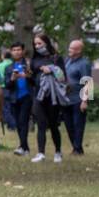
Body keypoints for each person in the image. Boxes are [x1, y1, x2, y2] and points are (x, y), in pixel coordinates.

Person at [29, 33, 67, 163]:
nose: (37, 46)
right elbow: (33, 80)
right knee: (40, 124)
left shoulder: (56, 58)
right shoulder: (34, 60)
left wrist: (51, 70)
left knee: (53, 125)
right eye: (35, 44)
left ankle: (58, 151)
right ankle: (41, 153)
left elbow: (63, 77)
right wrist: (26, 76)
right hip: (38, 96)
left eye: (40, 43)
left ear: (46, 43)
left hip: (52, 97)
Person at [62, 39, 92, 155]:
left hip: (78, 100)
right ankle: (76, 147)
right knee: (69, 126)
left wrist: (85, 101)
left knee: (78, 125)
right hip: (66, 100)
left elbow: (88, 82)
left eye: (72, 48)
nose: (69, 50)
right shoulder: (67, 61)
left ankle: (77, 149)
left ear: (79, 51)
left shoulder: (84, 64)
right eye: (69, 47)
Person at [3, 42, 34, 155]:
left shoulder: (28, 64)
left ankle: (22, 147)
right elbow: (7, 85)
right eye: (14, 50)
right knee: (18, 123)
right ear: (11, 52)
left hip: (26, 96)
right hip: (14, 98)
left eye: (19, 49)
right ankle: (24, 147)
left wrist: (28, 76)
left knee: (23, 121)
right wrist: (12, 78)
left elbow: (34, 82)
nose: (17, 52)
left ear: (23, 51)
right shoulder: (8, 68)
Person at [0, 47, 14, 127]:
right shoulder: (13, 64)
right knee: (12, 106)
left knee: (5, 107)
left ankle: (11, 125)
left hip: (3, 88)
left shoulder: (0, 65)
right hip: (13, 87)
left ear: (3, 56)